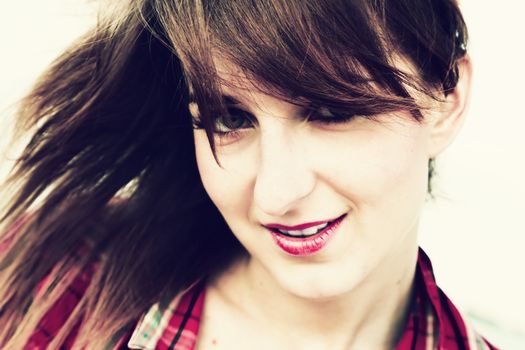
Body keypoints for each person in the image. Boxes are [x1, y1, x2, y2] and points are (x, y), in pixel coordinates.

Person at [0, 0, 498, 349]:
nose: (276, 194)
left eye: (330, 110)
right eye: (230, 119)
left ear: (446, 99)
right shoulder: (54, 279)